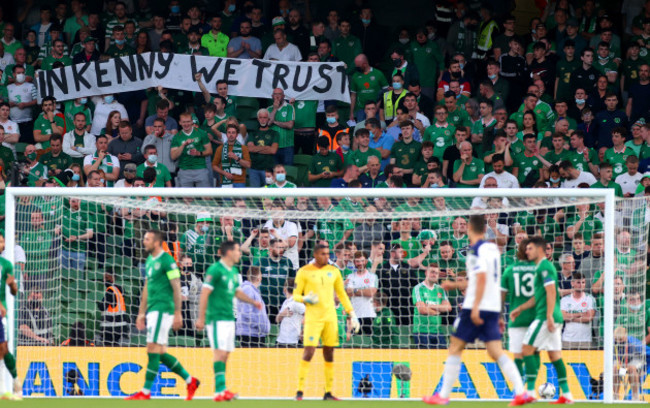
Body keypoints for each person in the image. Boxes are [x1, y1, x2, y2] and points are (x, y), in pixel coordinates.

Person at [424, 215, 527, 405]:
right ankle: (521, 392)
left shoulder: (476, 250)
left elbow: (479, 279)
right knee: (496, 351)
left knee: (455, 346)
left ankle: (443, 395)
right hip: (492, 306)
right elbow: (489, 280)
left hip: (476, 306)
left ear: (470, 228)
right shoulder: (494, 250)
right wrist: (455, 285)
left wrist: (475, 308)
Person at [126, 230, 200, 400]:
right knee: (158, 352)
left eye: (147, 239)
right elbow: (146, 287)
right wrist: (141, 313)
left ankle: (145, 391)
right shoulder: (150, 260)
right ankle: (190, 381)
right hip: (153, 310)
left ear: (157, 242)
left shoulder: (167, 260)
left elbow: (176, 285)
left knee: (152, 349)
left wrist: (178, 313)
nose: (144, 242)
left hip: (164, 309)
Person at [510, 236, 574, 403]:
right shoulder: (541, 267)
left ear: (539, 249)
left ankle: (530, 392)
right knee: (554, 356)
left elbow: (552, 291)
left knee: (526, 349)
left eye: (530, 248)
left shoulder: (544, 267)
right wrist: (520, 308)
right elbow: (539, 296)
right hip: (552, 316)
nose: (526, 251)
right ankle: (566, 394)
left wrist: (549, 316)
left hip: (546, 317)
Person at [293, 244, 360, 401]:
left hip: (330, 317)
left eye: (327, 254)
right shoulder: (304, 272)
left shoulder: (334, 271)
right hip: (313, 318)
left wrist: (352, 313)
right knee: (309, 351)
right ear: (315, 254)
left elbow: (342, 294)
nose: (326, 257)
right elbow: (295, 295)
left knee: (329, 353)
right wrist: (305, 299)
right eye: (323, 254)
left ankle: (328, 392)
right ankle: (299, 391)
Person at [0, 233, 20, 398]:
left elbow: (12, 288)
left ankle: (13, 383)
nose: (1, 243)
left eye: (2, 241)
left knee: (3, 349)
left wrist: (13, 285)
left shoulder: (6, 264)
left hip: (1, 314)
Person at [171, 112, 213, 188]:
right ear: (180, 123)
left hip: (200, 169)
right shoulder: (176, 137)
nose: (186, 124)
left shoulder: (201, 133)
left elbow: (210, 151)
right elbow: (173, 156)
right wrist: (183, 145)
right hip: (184, 170)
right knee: (187, 199)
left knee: (206, 198)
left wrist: (198, 153)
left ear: (191, 122)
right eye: (184, 122)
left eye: (188, 122)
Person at [235, 267, 270, 347]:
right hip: (250, 334)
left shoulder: (253, 290)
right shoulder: (248, 289)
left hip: (255, 334)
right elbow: (246, 312)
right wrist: (260, 325)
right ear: (259, 278)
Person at [560, 272, 596, 349]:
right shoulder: (565, 300)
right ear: (572, 283)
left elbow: (588, 318)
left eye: (583, 282)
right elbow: (563, 317)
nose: (581, 285)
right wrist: (580, 314)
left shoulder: (590, 299)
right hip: (567, 340)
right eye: (578, 282)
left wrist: (570, 318)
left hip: (585, 341)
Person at [98, 273, 128, 346]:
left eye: (106, 278)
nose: (104, 280)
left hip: (111, 326)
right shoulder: (119, 289)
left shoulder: (110, 291)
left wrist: (98, 302)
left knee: (109, 346)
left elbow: (102, 307)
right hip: (121, 325)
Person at [276, 278, 305, 347]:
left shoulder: (297, 302)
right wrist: (282, 314)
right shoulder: (285, 302)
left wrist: (303, 331)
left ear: (285, 289)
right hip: (281, 340)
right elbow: (277, 320)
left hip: (293, 342)